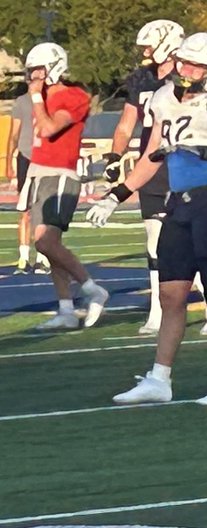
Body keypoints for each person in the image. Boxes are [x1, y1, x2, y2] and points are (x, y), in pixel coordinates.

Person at [88, 33, 207, 405]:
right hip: (178, 204)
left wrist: (203, 149)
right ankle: (159, 378)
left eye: (196, 65)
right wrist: (116, 195)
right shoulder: (162, 99)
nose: (186, 70)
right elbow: (151, 155)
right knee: (171, 294)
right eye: (184, 61)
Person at [103, 21, 195, 336]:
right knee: (154, 244)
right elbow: (127, 124)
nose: (144, 51)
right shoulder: (141, 79)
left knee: (199, 239)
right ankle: (157, 309)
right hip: (150, 166)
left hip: (184, 164)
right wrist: (114, 158)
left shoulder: (186, 78)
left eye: (148, 44)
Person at [24, 43, 109, 331]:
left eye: (38, 69)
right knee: (49, 247)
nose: (34, 76)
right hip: (40, 172)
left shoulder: (74, 96)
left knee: (45, 241)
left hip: (60, 173)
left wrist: (36, 96)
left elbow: (49, 129)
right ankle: (66, 309)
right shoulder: (43, 95)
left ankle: (91, 288)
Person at [8, 86, 47, 275]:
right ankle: (23, 258)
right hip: (26, 158)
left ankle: (42, 258)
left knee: (44, 210)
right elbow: (14, 134)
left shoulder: (52, 99)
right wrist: (9, 161)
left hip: (46, 159)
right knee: (25, 210)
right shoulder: (22, 102)